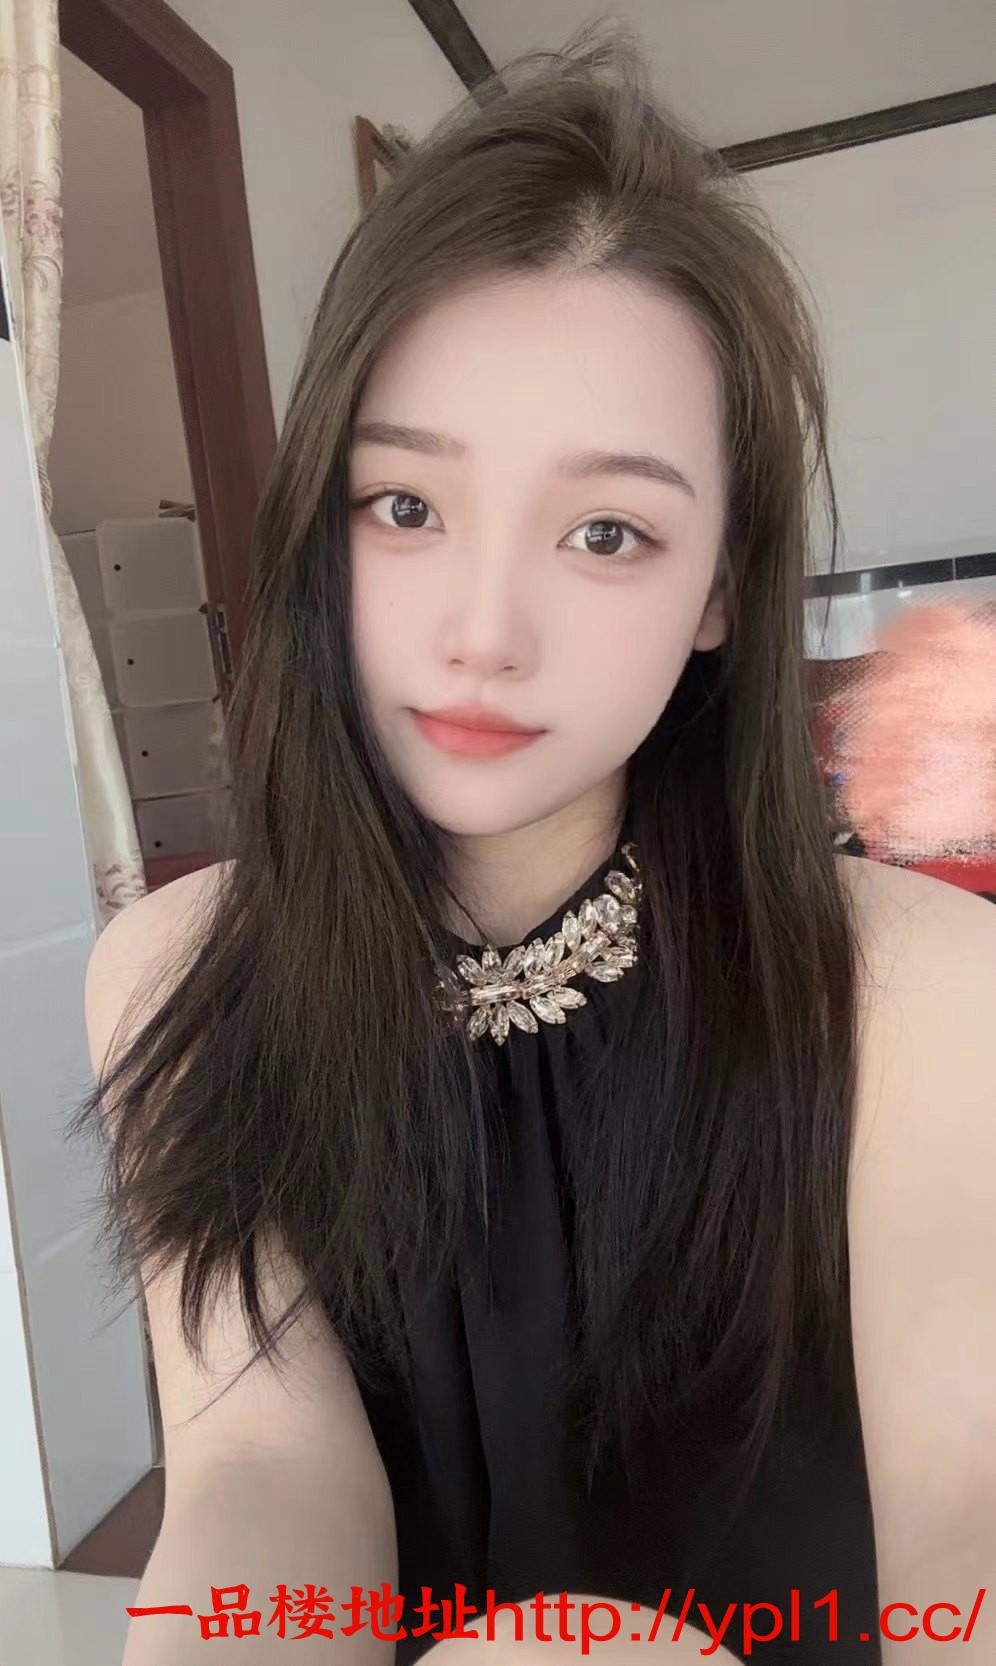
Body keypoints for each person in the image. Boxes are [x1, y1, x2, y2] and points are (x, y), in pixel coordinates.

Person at [75, 25, 996, 1666]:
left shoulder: (914, 985)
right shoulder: (174, 976)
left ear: (720, 590)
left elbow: (968, 1516)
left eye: (607, 531)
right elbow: (265, 1476)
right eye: (407, 506)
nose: (484, 632)